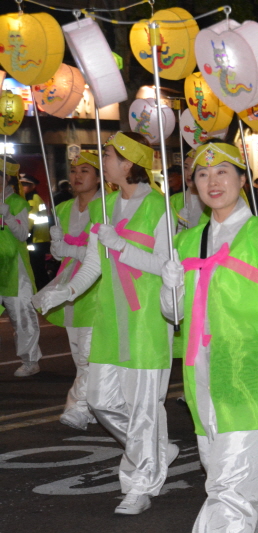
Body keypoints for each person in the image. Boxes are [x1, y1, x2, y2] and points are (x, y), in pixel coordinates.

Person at [159, 141, 258, 533]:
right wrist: (169, 288)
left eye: (223, 171)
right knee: (231, 475)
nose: (212, 181)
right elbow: (174, 314)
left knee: (229, 487)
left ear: (242, 180)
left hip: (247, 372)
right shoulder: (188, 240)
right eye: (202, 174)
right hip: (201, 376)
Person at [33, 132, 178, 515]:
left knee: (143, 409)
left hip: (147, 319)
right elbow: (94, 265)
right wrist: (64, 292)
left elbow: (166, 265)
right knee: (100, 401)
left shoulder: (159, 207)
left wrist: (122, 246)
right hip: (109, 318)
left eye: (109, 155)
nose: (103, 162)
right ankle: (156, 450)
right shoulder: (105, 206)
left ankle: (139, 484)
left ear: (128, 163)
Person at [42, 152, 102, 430]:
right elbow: (58, 254)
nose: (77, 176)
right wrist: (56, 246)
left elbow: (102, 253)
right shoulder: (64, 208)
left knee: (90, 351)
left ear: (99, 177)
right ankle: (91, 405)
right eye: (74, 170)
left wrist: (71, 249)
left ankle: (76, 406)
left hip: (96, 285)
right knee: (78, 351)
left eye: (85, 171)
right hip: (67, 283)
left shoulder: (106, 207)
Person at [0, 157, 43, 377]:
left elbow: (22, 234)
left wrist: (6, 214)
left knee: (22, 316)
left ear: (6, 178)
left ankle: (30, 360)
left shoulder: (17, 203)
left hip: (15, 269)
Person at [21, 175, 52, 290]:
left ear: (32, 186)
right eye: (21, 184)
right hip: (40, 239)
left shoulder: (32, 200)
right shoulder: (34, 198)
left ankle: (43, 291)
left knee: (36, 269)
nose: (22, 187)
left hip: (35, 240)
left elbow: (29, 220)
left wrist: (22, 232)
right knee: (38, 269)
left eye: (25, 184)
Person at [171, 150, 210, 233]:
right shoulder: (173, 201)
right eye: (186, 168)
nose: (189, 173)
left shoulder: (215, 201)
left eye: (194, 168)